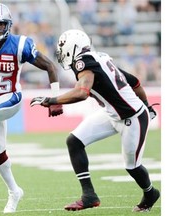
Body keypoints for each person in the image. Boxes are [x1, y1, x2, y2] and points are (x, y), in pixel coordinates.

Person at [30, 29, 160, 212]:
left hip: (132, 117)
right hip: (112, 113)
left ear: (72, 47)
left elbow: (82, 92)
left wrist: (51, 100)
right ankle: (89, 195)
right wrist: (147, 103)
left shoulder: (84, 62)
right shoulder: (100, 58)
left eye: (63, 48)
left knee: (132, 167)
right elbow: (134, 81)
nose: (61, 53)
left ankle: (150, 193)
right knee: (74, 141)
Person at [0, 2, 63, 213]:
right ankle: (14, 191)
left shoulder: (20, 44)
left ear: (8, 25)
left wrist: (55, 99)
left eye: (1, 24)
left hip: (11, 97)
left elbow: (50, 66)